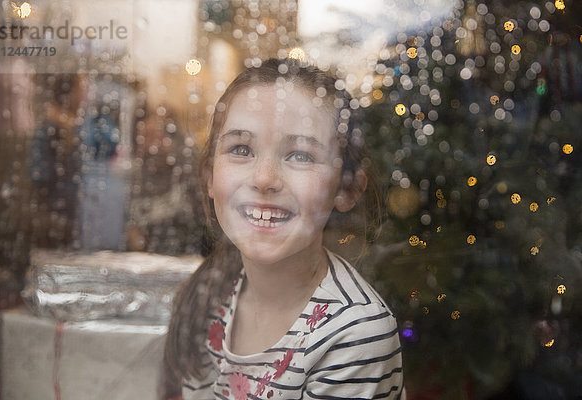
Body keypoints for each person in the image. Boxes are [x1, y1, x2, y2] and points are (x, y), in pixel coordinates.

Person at [161, 58, 405, 400]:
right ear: (209, 178)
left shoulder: (353, 332)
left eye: (301, 155)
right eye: (242, 149)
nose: (264, 179)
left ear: (347, 189)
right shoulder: (210, 295)